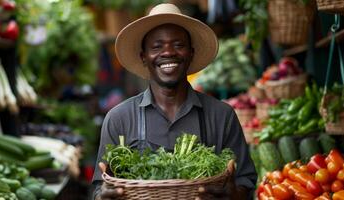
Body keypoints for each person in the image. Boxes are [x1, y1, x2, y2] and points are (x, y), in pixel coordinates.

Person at [92, 3, 257, 200]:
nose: (168, 52)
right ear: (144, 57)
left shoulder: (221, 115)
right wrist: (103, 195)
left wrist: (233, 195)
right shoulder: (119, 119)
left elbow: (245, 183)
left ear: (191, 54)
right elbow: (99, 189)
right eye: (157, 46)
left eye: (178, 45)